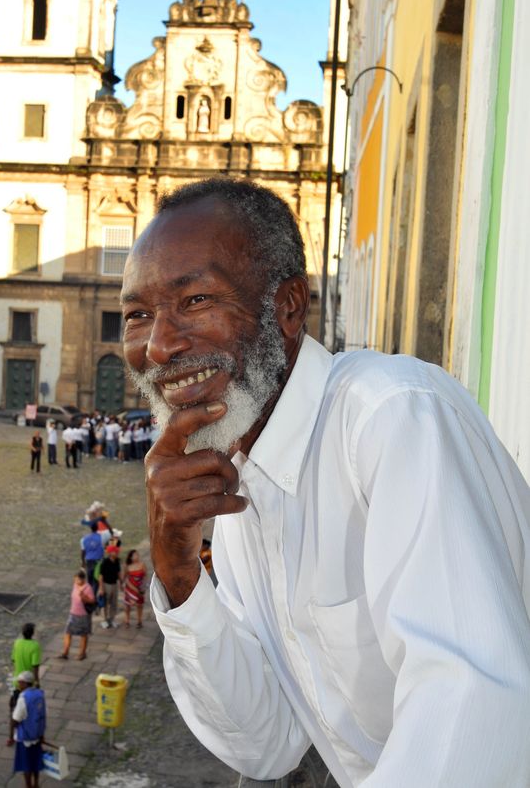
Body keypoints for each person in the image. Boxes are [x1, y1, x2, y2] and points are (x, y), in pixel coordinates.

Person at [120, 177, 530, 787]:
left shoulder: (391, 417)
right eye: (137, 315)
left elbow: (473, 703)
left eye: (197, 300)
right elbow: (270, 741)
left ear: (287, 306)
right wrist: (179, 573)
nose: (158, 346)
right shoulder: (238, 494)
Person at [8, 623, 42, 745]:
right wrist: (37, 682)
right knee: (29, 711)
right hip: (28, 683)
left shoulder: (17, 643)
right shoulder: (35, 646)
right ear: (32, 633)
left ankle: (11, 736)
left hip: (17, 681)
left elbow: (13, 659)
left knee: (14, 710)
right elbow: (35, 666)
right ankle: (28, 733)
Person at [11, 670, 46, 788]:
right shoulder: (39, 694)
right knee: (35, 762)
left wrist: (11, 735)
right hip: (37, 734)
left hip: (25, 736)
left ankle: (28, 785)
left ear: (25, 683)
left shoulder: (23, 698)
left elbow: (16, 718)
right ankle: (36, 783)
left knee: (26, 765)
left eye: (20, 682)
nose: (19, 685)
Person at [59, 570, 94, 660]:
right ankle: (65, 652)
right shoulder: (75, 585)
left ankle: (82, 653)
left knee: (83, 634)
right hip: (73, 613)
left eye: (77, 579)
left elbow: (92, 601)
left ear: (83, 579)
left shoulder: (88, 588)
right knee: (67, 632)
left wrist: (84, 597)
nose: (75, 581)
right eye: (75, 579)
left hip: (83, 615)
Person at [122, 550, 146, 629]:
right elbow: (124, 578)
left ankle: (139, 621)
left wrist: (144, 586)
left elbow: (145, 576)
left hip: (140, 588)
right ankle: (127, 621)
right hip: (130, 588)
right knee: (127, 606)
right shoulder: (127, 566)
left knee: (139, 605)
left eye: (137, 555)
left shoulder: (142, 565)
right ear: (130, 557)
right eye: (135, 555)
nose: (137, 556)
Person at [98, 544, 121, 629]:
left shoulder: (117, 561)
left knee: (114, 603)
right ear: (110, 552)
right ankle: (104, 620)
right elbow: (101, 576)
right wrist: (101, 588)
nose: (117, 553)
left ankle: (112, 619)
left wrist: (121, 583)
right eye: (115, 552)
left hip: (114, 584)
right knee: (105, 603)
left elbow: (118, 573)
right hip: (106, 585)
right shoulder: (105, 562)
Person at [80, 522, 104, 597]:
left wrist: (83, 562)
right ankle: (92, 597)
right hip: (97, 562)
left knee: (90, 580)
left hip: (88, 561)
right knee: (96, 580)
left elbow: (83, 552)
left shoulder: (84, 539)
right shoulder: (101, 537)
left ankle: (90, 595)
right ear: (97, 528)